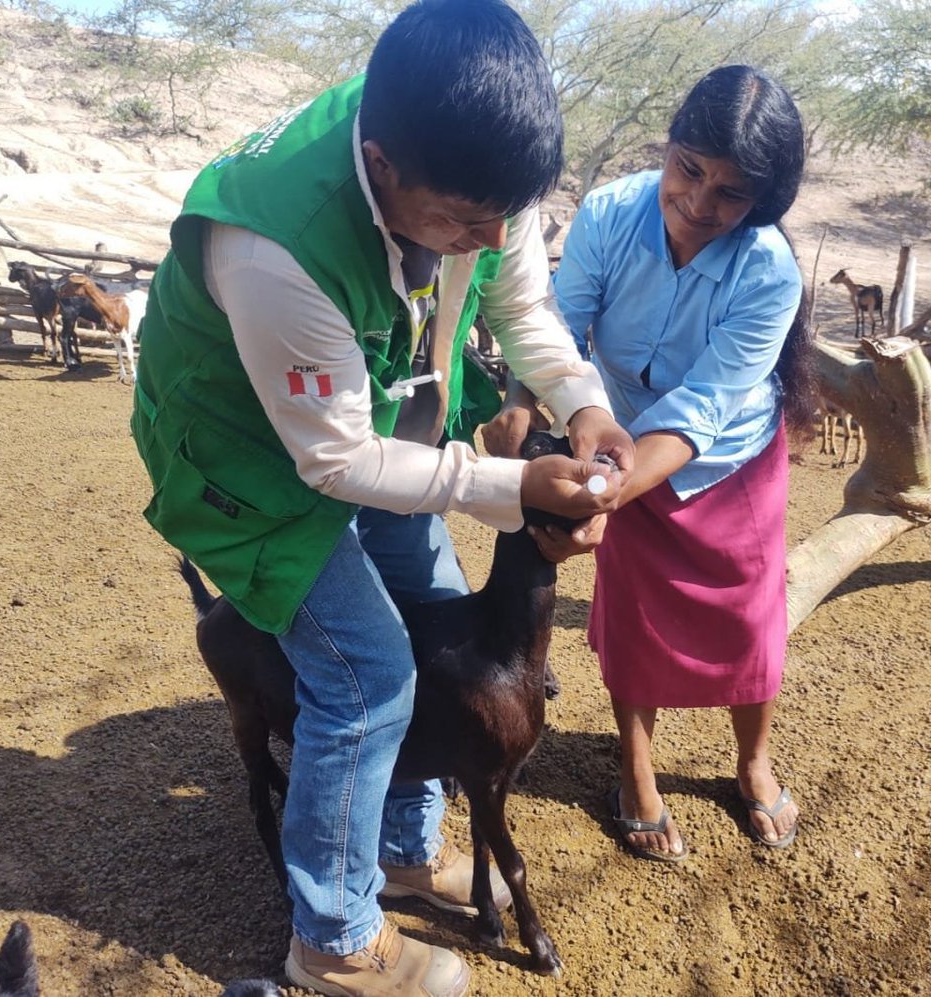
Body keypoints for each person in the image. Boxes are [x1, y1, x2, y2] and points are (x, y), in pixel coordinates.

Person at [130, 2, 634, 994]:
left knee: (435, 609)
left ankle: (403, 847)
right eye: (461, 222)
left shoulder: (477, 161)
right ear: (382, 163)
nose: (487, 239)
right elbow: (335, 463)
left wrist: (585, 402)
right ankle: (330, 937)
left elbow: (519, 300)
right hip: (251, 458)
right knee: (367, 674)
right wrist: (512, 484)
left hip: (377, 418)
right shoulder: (276, 248)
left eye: (509, 214)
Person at [485, 64, 815, 862]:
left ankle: (752, 759)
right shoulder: (608, 212)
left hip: (725, 455)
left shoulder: (768, 269)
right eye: (689, 169)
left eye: (732, 194)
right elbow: (562, 326)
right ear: (668, 147)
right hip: (615, 430)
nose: (700, 204)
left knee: (750, 620)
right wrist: (525, 403)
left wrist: (601, 493)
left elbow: (705, 406)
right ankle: (636, 768)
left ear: (764, 202)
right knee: (633, 614)